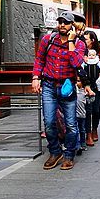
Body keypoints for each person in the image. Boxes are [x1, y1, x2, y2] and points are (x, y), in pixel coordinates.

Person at [32, 11, 86, 171]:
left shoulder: (79, 44)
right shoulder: (48, 40)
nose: (62, 25)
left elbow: (76, 63)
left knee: (70, 124)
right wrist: (36, 77)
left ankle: (69, 154)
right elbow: (39, 59)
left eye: (66, 22)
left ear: (72, 25)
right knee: (49, 122)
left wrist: (70, 42)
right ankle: (55, 151)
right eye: (60, 21)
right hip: (48, 85)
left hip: (67, 86)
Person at [82, 30, 100, 143]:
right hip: (85, 85)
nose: (84, 41)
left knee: (96, 110)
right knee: (87, 110)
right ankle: (88, 133)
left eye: (86, 39)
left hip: (98, 86)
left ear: (92, 40)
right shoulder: (82, 53)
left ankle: (94, 129)